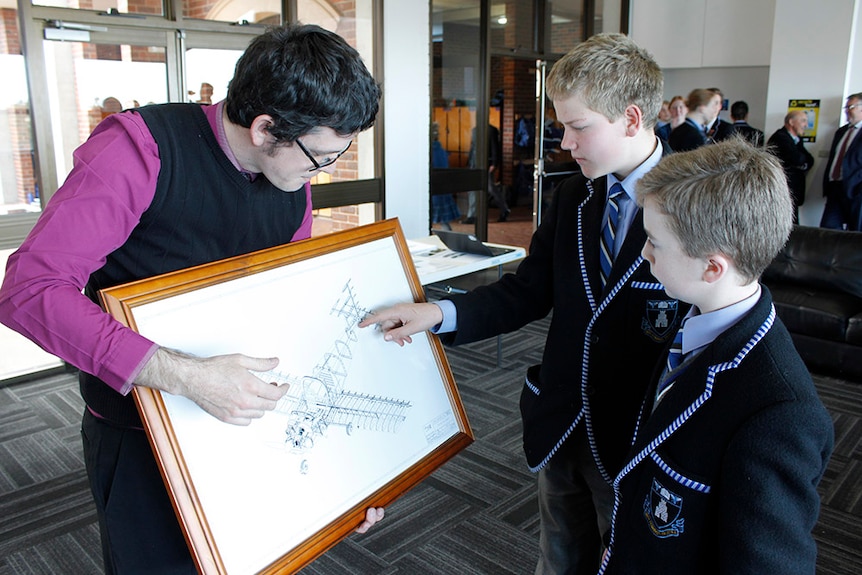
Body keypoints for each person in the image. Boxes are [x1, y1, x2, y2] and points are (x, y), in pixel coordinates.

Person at [0, 23, 384, 574]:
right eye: (320, 156)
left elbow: (291, 308)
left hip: (248, 424)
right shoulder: (137, 150)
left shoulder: (290, 186)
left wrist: (345, 478)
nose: (321, 172)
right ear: (265, 128)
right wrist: (187, 376)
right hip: (142, 436)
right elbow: (30, 291)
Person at [359, 33, 685, 575]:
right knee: (558, 556)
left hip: (639, 438)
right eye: (562, 128)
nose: (567, 144)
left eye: (580, 128)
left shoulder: (696, 202)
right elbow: (530, 289)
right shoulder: (574, 197)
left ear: (631, 118)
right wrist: (441, 313)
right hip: (560, 421)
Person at [600, 138, 833, 574]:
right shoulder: (690, 312)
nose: (644, 252)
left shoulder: (781, 415)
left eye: (654, 242)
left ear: (712, 266)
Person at [821, 92, 862, 230]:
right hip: (835, 188)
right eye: (846, 107)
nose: (846, 111)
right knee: (828, 230)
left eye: (850, 107)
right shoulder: (841, 132)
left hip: (857, 191)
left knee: (854, 235)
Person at [767, 110, 814, 223]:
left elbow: (810, 159)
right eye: (803, 121)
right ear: (791, 122)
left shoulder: (796, 140)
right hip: (782, 190)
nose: (806, 125)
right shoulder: (780, 137)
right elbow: (797, 158)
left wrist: (802, 163)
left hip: (792, 191)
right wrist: (801, 163)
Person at [463, 123, 510, 223]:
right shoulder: (475, 130)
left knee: (491, 188)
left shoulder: (491, 130)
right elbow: (473, 146)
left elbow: (495, 146)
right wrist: (469, 162)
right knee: (472, 189)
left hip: (486, 164)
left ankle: (504, 209)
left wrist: (494, 163)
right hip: (474, 163)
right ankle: (472, 215)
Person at [430, 122, 460, 230]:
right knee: (443, 221)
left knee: (429, 220)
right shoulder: (441, 150)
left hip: (434, 190)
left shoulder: (430, 151)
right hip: (443, 189)